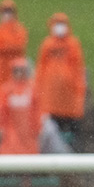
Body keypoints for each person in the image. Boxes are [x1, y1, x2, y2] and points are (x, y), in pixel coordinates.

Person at [34, 12, 86, 140]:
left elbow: (77, 67)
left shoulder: (73, 44)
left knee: (72, 128)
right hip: (51, 96)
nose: (59, 27)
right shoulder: (47, 44)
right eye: (57, 24)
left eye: (62, 24)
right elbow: (41, 67)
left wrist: (79, 88)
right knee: (52, 130)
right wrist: (38, 88)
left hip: (69, 95)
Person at [0, 57, 42, 155]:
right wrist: (1, 127)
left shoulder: (32, 89)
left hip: (28, 131)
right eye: (16, 70)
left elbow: (37, 110)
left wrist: (37, 127)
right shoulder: (6, 90)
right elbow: (2, 111)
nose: (19, 73)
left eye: (21, 70)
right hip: (11, 131)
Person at [0, 0, 28, 104]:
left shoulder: (19, 30)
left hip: (15, 69)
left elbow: (19, 46)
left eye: (9, 11)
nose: (7, 15)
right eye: (4, 12)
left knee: (15, 96)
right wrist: (10, 46)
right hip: (0, 68)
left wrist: (5, 47)